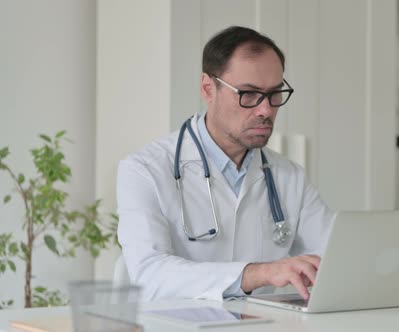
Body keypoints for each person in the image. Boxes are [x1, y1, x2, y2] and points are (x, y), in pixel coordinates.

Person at [117, 26, 335, 302]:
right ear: (208, 88)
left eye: (274, 94)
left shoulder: (289, 176)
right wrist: (256, 274)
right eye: (249, 94)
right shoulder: (144, 170)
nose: (266, 110)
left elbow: (333, 259)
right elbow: (149, 275)